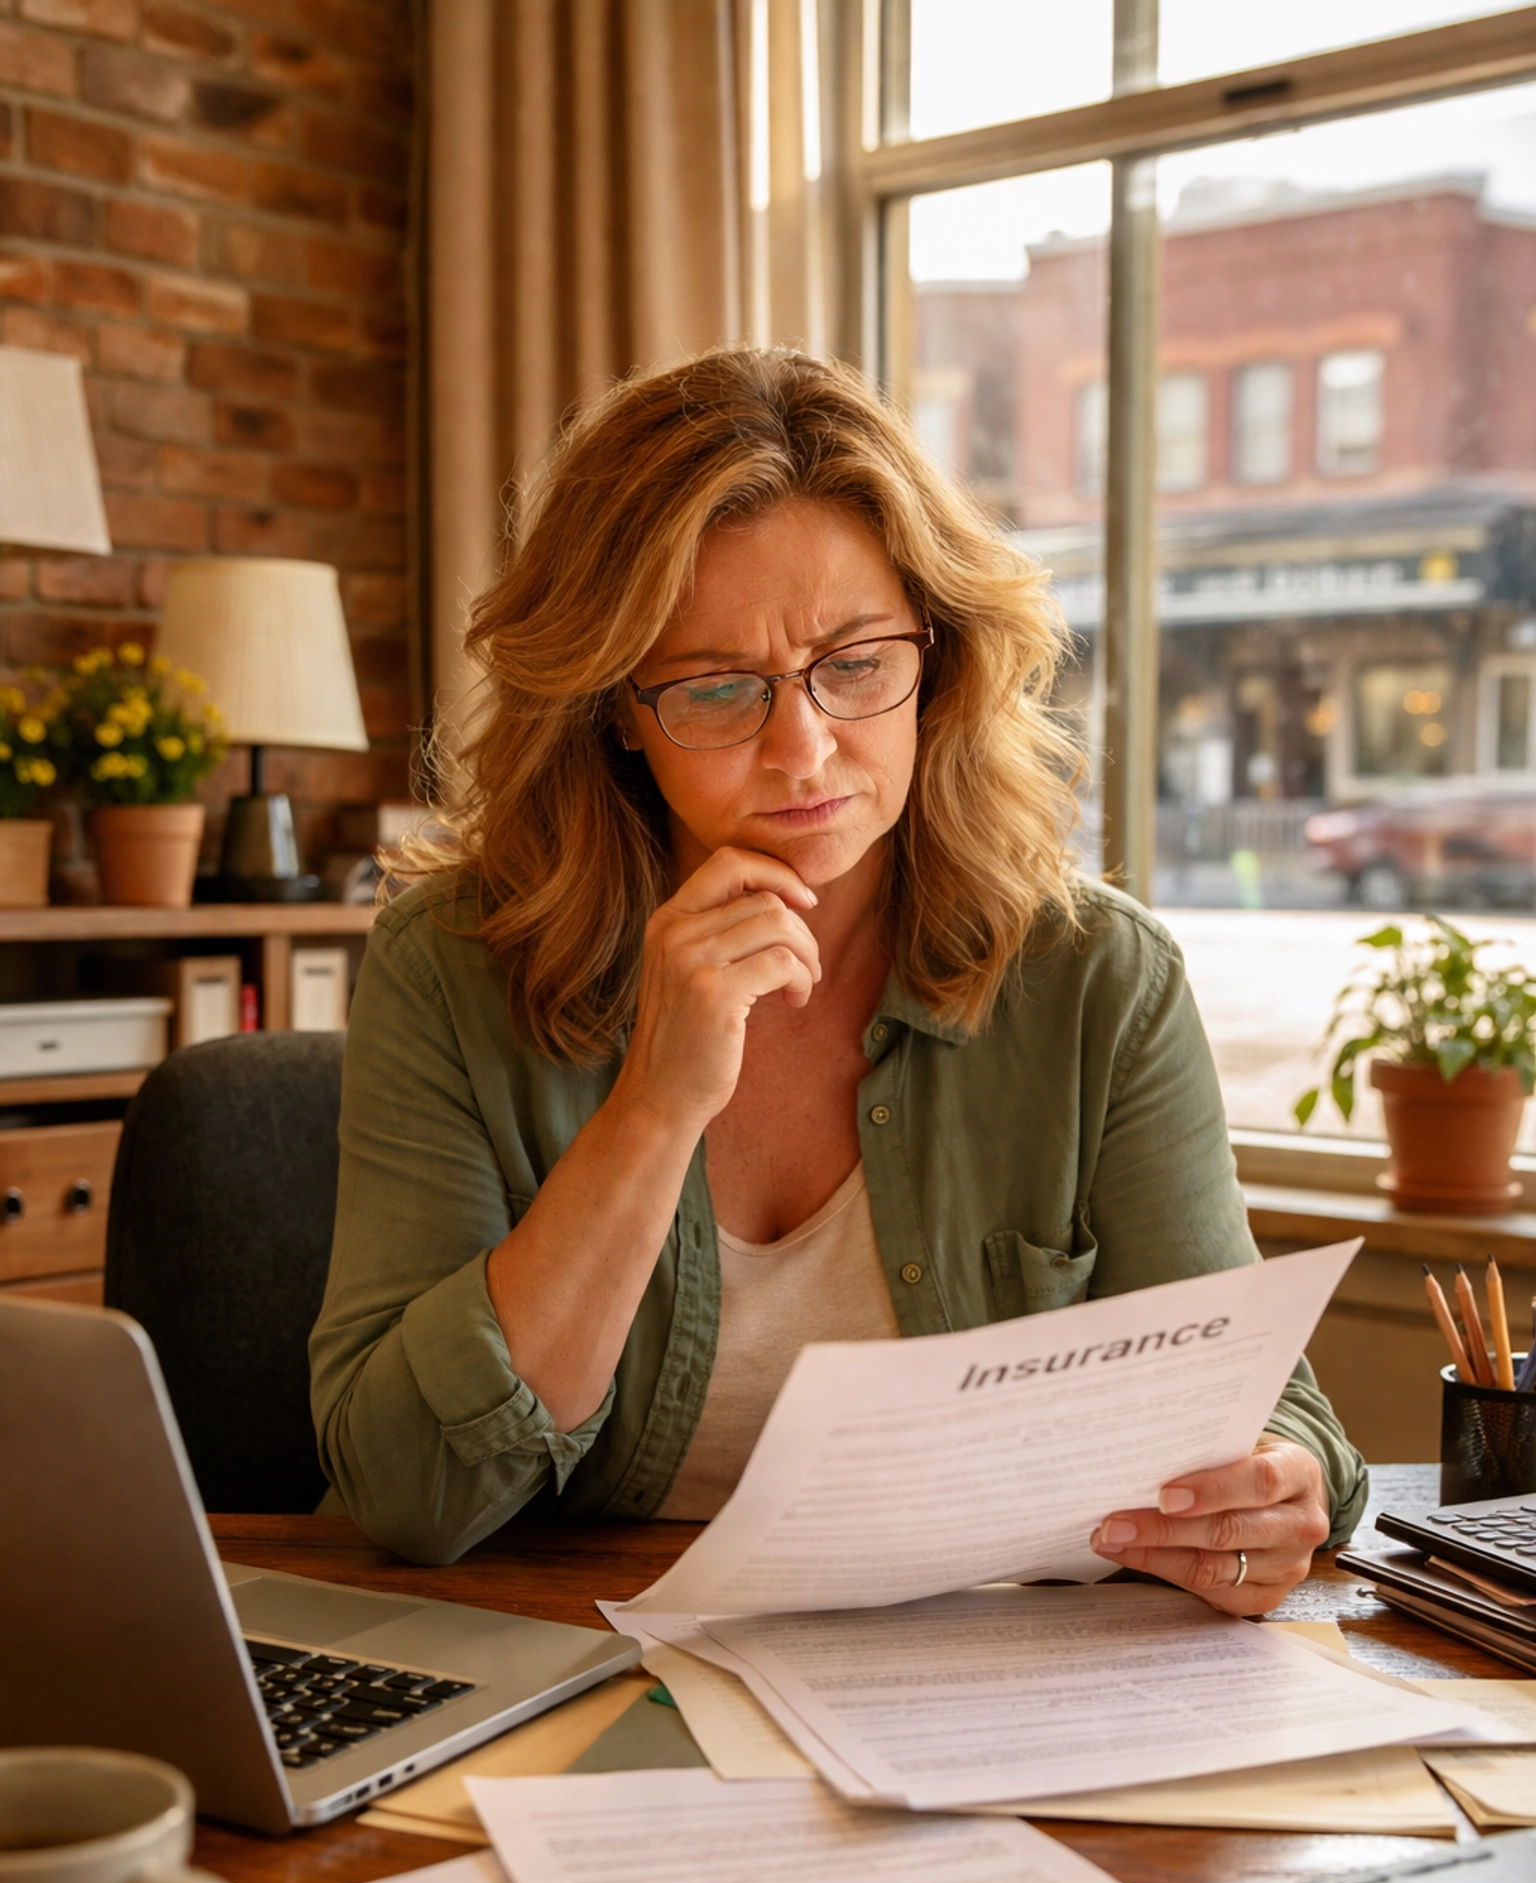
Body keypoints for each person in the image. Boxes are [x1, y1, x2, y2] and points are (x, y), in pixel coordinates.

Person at [310, 346, 1363, 1606]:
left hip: (974, 1680)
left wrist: (1276, 1485)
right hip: (564, 1663)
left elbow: (1262, 1407)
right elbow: (407, 1493)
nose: (801, 750)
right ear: (617, 713)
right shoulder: (452, 966)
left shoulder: (1094, 978)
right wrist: (655, 1104)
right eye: (715, 686)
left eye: (856, 666)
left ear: (942, 661)